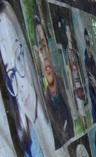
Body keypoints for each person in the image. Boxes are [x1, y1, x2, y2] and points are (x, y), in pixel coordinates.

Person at [0, 4, 51, 157]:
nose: (21, 84)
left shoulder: (51, 108)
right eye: (12, 74)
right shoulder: (25, 147)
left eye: (19, 58)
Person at [33, 15, 74, 147]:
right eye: (40, 50)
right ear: (38, 59)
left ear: (50, 51)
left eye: (45, 47)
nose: (44, 55)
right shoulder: (44, 99)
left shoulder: (60, 82)